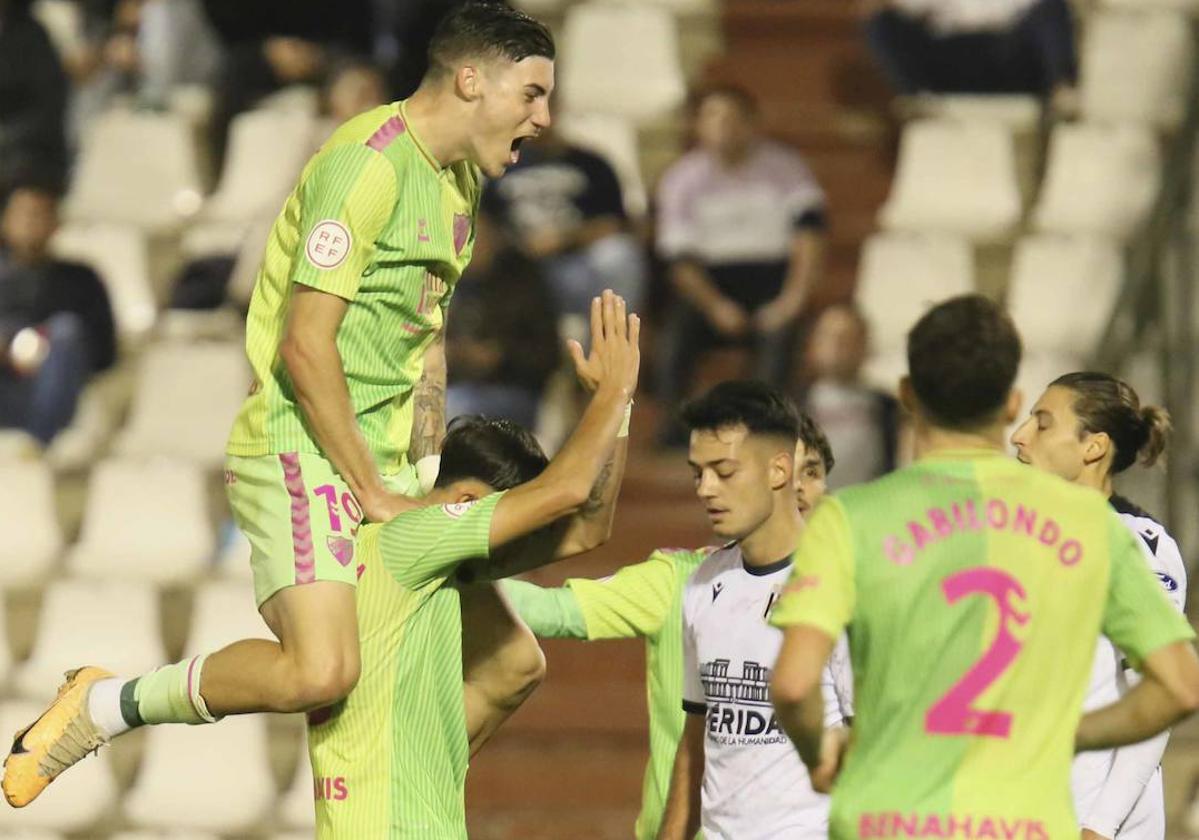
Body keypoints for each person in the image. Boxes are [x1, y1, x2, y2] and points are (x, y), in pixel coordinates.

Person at [2, 1, 556, 807]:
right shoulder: (366, 167)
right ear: (471, 80)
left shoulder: (460, 185)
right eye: (531, 94)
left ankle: (400, 797)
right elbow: (306, 344)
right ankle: (101, 705)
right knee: (321, 671)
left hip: (387, 467)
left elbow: (424, 338)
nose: (542, 119)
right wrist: (374, 492)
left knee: (511, 665)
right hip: (304, 453)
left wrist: (423, 471)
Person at [768, 294, 1199, 839]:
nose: (1023, 436)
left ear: (905, 395)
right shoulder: (1074, 530)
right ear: (1007, 402)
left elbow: (794, 681)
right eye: (1026, 419)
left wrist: (826, 749)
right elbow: (1179, 686)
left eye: (1041, 424)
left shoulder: (859, 518)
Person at [311, 291, 639, 838]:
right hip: (386, 828)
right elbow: (570, 493)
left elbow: (587, 529)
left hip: (415, 818)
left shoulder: (436, 546)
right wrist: (615, 392)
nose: (505, 553)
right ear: (466, 504)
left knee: (519, 663)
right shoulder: (412, 535)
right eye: (504, 519)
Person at [501, 387, 838, 840]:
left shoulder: (854, 592)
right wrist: (447, 561)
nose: (799, 487)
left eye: (811, 473)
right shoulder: (691, 583)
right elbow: (693, 744)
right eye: (701, 473)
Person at [654, 382, 853, 840]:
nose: (706, 489)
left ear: (780, 470)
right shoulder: (704, 585)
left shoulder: (843, 587)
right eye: (697, 472)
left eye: (724, 471)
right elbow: (695, 745)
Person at [1011, 372, 1186, 840]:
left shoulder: (1137, 548)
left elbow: (1156, 698)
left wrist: (1099, 828)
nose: (1019, 437)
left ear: (1093, 447)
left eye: (1043, 424)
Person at [654, 86, 827, 445]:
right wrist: (715, 305)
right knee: (672, 342)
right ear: (698, 125)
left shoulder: (786, 168)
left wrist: (791, 301)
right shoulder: (680, 179)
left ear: (752, 124)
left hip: (773, 281)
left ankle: (760, 433)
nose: (724, 128)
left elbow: (809, 236)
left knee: (780, 339)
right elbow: (678, 261)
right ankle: (675, 432)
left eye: (733, 118)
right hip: (708, 286)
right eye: (714, 118)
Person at [483, 124, 647, 324]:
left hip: (579, 263)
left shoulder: (589, 163)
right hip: (516, 267)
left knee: (618, 255)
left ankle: (611, 343)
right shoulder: (501, 164)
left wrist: (561, 239)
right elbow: (484, 225)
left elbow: (615, 224)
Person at [0, 180, 116, 443]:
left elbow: (105, 353)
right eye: (23, 214)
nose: (31, 223)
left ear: (56, 224)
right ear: (6, 222)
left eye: (40, 214)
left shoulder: (81, 279)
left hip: (56, 390)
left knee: (66, 331)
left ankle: (38, 447)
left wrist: (47, 346)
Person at [445, 209, 560, 430]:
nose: (465, 246)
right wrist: (451, 353)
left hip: (513, 391)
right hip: (455, 383)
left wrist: (498, 357)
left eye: (474, 237)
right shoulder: (446, 281)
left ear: (495, 237)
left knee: (450, 406)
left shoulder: (522, 283)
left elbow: (548, 355)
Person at [862, 0, 1078, 102]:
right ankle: (918, 99)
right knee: (879, 23)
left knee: (1053, 8)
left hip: (1009, 52)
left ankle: (1062, 88)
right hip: (953, 54)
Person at [800, 303, 900, 489]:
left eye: (847, 338)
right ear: (813, 344)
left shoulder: (887, 408)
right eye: (829, 336)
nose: (837, 345)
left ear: (865, 345)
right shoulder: (790, 407)